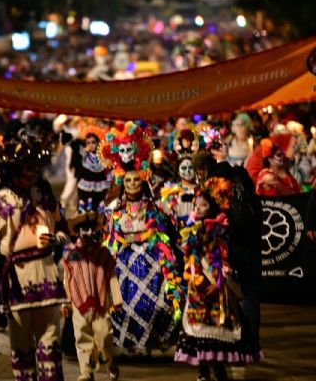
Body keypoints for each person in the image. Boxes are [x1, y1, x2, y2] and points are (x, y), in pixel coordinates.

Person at [0, 122, 69, 381]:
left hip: (48, 281)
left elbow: (62, 227)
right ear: (12, 169)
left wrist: (58, 241)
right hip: (17, 287)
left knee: (51, 351)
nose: (31, 171)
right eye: (25, 166)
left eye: (33, 166)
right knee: (22, 352)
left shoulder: (44, 197)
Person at [100, 121, 183, 353]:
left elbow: (166, 224)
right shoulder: (114, 206)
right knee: (124, 304)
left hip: (151, 258)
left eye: (137, 180)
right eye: (128, 180)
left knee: (156, 304)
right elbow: (109, 236)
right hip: (124, 259)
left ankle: (153, 341)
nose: (134, 183)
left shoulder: (152, 204)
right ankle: (131, 343)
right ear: (122, 183)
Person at [175, 180, 247, 381]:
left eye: (204, 206)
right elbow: (187, 254)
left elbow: (224, 258)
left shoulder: (220, 230)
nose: (198, 209)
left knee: (215, 329)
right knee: (198, 331)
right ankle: (203, 370)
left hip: (216, 285)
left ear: (213, 207)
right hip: (197, 284)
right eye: (196, 206)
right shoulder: (191, 228)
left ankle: (218, 368)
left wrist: (219, 282)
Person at [61, 205, 123, 381]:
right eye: (83, 229)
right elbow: (68, 280)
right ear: (78, 232)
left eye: (90, 229)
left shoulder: (103, 254)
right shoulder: (72, 255)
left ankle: (110, 363)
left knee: (104, 338)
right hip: (79, 304)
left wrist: (116, 299)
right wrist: (66, 302)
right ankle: (86, 372)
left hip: (100, 304)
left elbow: (111, 277)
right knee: (83, 337)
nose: (87, 232)